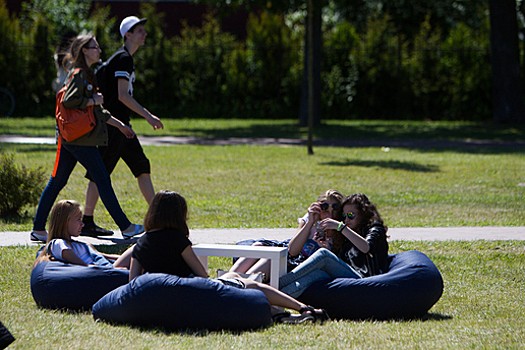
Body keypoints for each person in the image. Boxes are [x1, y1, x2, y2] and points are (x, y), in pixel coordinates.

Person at [129, 190, 329, 324]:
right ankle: (303, 308)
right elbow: (201, 275)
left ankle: (278, 314)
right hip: (191, 294)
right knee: (246, 283)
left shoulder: (141, 243)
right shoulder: (177, 239)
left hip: (157, 301)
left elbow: (132, 283)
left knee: (240, 282)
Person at [30, 34, 144, 243]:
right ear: (84, 50)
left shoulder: (85, 74)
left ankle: (38, 229)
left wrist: (119, 126)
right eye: (95, 47)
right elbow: (70, 100)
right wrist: (92, 99)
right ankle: (126, 227)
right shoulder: (80, 74)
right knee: (102, 180)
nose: (99, 50)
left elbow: (98, 110)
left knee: (57, 181)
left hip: (71, 137)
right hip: (81, 139)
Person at [81, 16, 164, 237]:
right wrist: (148, 116)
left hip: (122, 127)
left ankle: (158, 219)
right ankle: (86, 220)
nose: (144, 34)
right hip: (114, 127)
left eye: (144, 30)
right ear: (127, 34)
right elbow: (122, 96)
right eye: (139, 31)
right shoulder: (123, 59)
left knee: (141, 167)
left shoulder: (123, 58)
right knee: (100, 172)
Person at [278, 193, 389, 298]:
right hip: (350, 275)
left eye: (350, 215)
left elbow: (365, 247)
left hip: (366, 279)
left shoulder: (375, 229)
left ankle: (279, 282)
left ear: (363, 214)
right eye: (344, 216)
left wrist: (341, 227)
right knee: (317, 274)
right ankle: (276, 296)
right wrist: (326, 248)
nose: (346, 220)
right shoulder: (349, 232)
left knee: (323, 254)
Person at [229, 189, 344, 282]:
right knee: (258, 246)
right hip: (287, 250)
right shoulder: (311, 219)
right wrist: (309, 223)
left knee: (270, 259)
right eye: (325, 207)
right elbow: (292, 249)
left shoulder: (340, 229)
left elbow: (296, 255)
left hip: (297, 262)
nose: (330, 213)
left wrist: (326, 247)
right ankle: (223, 281)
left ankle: (239, 285)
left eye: (335, 208)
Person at [32, 200, 133, 269]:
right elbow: (68, 254)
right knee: (139, 247)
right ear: (65, 222)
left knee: (138, 255)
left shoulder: (80, 244)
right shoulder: (57, 243)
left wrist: (124, 258)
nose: (82, 224)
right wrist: (89, 267)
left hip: (107, 267)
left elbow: (103, 256)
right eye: (78, 219)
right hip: (103, 271)